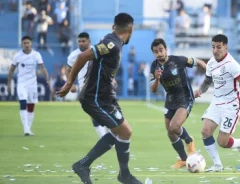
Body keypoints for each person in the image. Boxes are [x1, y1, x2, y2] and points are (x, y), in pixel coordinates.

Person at [56, 13, 142, 184]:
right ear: (131, 29)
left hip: (105, 96)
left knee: (122, 133)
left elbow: (99, 63)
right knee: (125, 131)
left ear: (113, 27)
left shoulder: (112, 41)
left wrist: (110, 80)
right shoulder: (112, 43)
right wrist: (69, 83)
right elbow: (82, 57)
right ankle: (117, 174)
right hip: (95, 97)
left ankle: (91, 167)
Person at [194, 34, 240, 172]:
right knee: (205, 131)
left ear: (226, 47)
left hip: (231, 105)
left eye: (219, 47)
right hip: (217, 102)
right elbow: (207, 81)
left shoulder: (232, 65)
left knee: (222, 142)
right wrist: (200, 90)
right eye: (213, 47)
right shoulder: (211, 63)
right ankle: (217, 165)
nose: (215, 50)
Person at [150, 38, 206, 169]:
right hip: (170, 100)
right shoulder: (154, 67)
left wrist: (208, 75)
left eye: (161, 50)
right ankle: (184, 159)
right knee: (170, 132)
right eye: (155, 51)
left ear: (166, 49)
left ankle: (189, 140)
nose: (159, 53)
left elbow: (198, 62)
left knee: (174, 127)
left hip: (185, 97)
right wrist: (157, 79)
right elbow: (153, 90)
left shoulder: (178, 60)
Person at [66, 32, 110, 138]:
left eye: (83, 41)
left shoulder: (98, 51)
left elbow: (107, 66)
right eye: (79, 41)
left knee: (106, 111)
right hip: (85, 88)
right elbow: (68, 70)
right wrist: (70, 84)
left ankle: (109, 135)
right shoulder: (73, 56)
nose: (81, 43)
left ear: (89, 41)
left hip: (101, 85)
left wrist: (111, 79)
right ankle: (103, 138)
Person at [7, 36, 49, 136]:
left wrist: (47, 79)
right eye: (24, 43)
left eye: (28, 43)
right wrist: (9, 83)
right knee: (23, 102)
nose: (26, 45)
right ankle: (26, 129)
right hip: (22, 83)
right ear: (22, 44)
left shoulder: (36, 55)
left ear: (31, 44)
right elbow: (12, 70)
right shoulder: (17, 56)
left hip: (32, 84)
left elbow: (42, 67)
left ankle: (28, 129)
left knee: (31, 106)